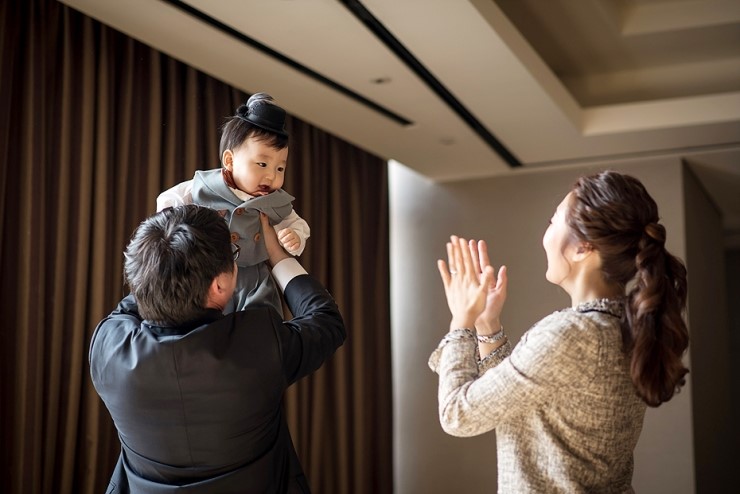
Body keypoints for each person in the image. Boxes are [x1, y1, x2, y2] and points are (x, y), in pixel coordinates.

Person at [429, 170, 690, 493]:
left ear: (583, 248)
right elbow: (515, 399)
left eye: (553, 221)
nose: (545, 235)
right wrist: (486, 323)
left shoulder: (572, 335)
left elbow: (457, 414)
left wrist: (461, 321)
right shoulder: (622, 329)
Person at [89, 205, 345, 493]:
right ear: (219, 286)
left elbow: (139, 296)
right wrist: (277, 256)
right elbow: (326, 321)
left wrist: (162, 260)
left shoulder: (108, 347)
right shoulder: (259, 345)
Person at [157, 92, 309, 314]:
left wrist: (294, 236)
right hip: (208, 273)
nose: (271, 176)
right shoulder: (205, 186)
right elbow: (168, 199)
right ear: (229, 160)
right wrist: (175, 227)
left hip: (253, 280)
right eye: (262, 164)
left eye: (280, 168)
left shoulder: (274, 202)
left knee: (260, 320)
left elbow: (297, 223)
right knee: (202, 314)